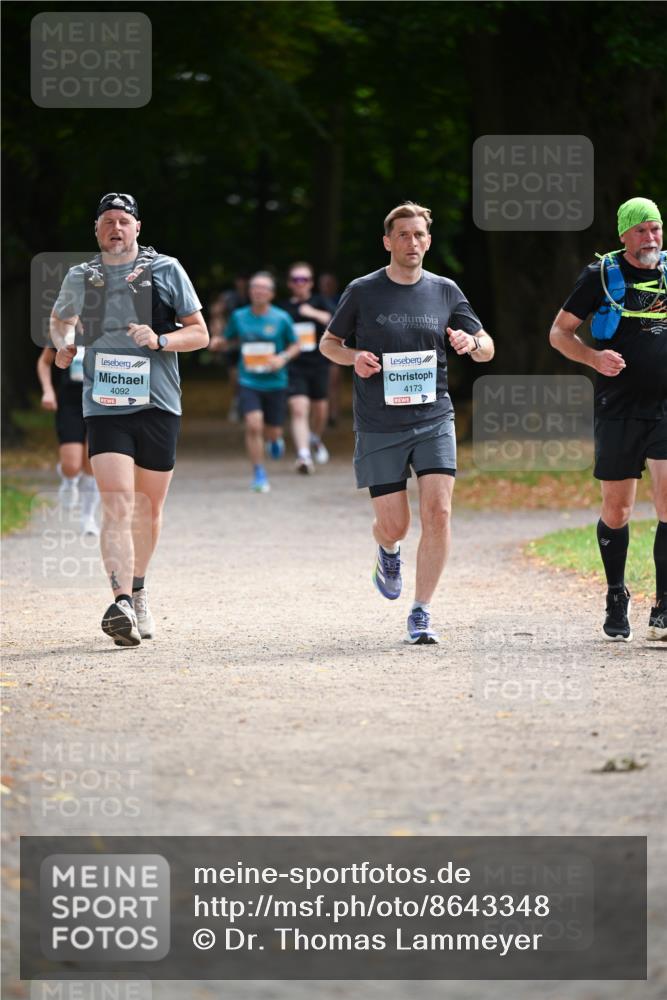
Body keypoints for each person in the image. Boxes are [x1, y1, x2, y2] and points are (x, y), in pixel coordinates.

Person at [320, 201, 494, 644]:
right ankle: (388, 550)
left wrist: (470, 341)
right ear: (387, 242)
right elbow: (329, 343)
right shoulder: (363, 290)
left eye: (419, 235)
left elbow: (487, 347)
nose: (411, 242)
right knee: (395, 524)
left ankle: (422, 611)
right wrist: (353, 357)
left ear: (428, 241)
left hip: (434, 417)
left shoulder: (445, 291)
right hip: (379, 422)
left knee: (438, 513)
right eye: (403, 235)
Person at [51, 192, 209, 647]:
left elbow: (200, 333)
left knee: (149, 509)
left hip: (159, 404)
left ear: (138, 228)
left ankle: (139, 589)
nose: (115, 228)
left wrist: (160, 340)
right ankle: (120, 601)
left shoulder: (166, 270)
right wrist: (64, 343)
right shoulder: (82, 276)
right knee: (117, 502)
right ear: (96, 231)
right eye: (107, 222)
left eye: (123, 221)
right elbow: (60, 321)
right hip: (104, 404)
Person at [550, 196, 667, 642]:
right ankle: (617, 593)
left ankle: (664, 606)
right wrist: (594, 359)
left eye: (655, 229)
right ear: (623, 235)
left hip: (664, 407)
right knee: (617, 509)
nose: (650, 239)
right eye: (641, 231)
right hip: (618, 409)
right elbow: (559, 333)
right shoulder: (600, 276)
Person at [224, 271, 300, 492]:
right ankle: (259, 472)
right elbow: (229, 339)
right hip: (248, 380)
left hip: (276, 382)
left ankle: (276, 440)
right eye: (255, 287)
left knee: (273, 430)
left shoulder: (281, 317)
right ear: (250, 292)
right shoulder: (239, 316)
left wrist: (282, 358)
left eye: (263, 288)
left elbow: (295, 345)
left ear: (271, 293)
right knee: (253, 424)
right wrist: (219, 342)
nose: (258, 291)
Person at [37, 343, 100, 534]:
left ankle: (88, 518)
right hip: (70, 405)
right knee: (72, 465)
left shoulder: (109, 329)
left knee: (93, 464)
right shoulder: (62, 333)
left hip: (100, 404)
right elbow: (44, 362)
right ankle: (69, 479)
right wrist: (48, 390)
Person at [279, 262, 332, 473]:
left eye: (304, 279)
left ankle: (315, 438)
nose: (300, 283)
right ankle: (303, 456)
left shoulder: (320, 302)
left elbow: (335, 321)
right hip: (294, 366)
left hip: (319, 363)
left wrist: (312, 312)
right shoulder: (283, 309)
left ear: (311, 282)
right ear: (289, 283)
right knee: (299, 409)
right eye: (295, 279)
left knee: (320, 410)